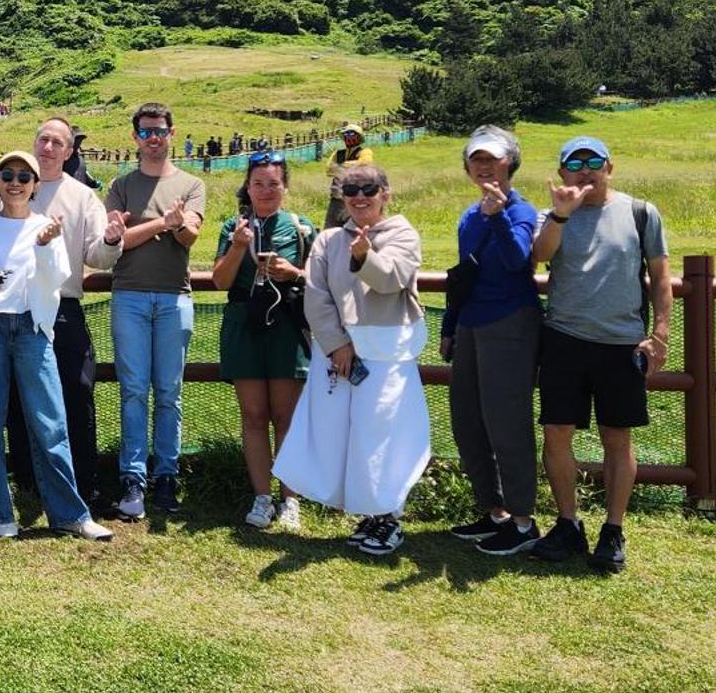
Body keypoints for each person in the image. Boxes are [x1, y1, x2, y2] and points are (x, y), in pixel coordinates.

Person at [0, 152, 115, 543]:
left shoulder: (47, 227)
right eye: (7, 175)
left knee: (51, 423)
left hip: (33, 329)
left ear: (35, 185)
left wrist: (44, 246)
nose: (15, 182)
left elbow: (54, 282)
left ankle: (70, 514)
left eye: (24, 176)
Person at [528, 135, 671, 573]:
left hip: (621, 341)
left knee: (617, 437)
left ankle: (613, 530)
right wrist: (561, 214)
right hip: (563, 338)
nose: (585, 171)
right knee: (556, 432)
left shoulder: (640, 213)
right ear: (562, 171)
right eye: (575, 163)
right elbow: (538, 257)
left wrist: (660, 334)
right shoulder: (551, 215)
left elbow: (662, 278)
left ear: (611, 167)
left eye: (594, 162)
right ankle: (568, 523)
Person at [276, 163, 427, 557]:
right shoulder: (328, 241)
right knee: (340, 433)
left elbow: (390, 281)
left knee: (380, 434)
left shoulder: (402, 233)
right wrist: (336, 345)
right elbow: (317, 294)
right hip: (339, 354)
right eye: (351, 189)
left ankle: (389, 515)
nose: (360, 197)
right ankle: (367, 512)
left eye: (369, 189)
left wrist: (365, 256)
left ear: (385, 193)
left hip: (386, 353)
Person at [2, 117, 123, 516]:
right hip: (17, 308)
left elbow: (96, 256)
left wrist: (111, 239)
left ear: (69, 151)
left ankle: (83, 485)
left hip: (63, 309)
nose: (49, 148)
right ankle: (27, 484)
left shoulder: (83, 196)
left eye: (58, 142)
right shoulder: (11, 184)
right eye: (43, 139)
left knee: (76, 395)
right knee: (18, 399)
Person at [440, 126, 545, 555]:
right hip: (471, 324)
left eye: (493, 158)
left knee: (507, 421)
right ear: (466, 166)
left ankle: (523, 521)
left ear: (510, 163)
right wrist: (450, 326)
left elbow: (518, 259)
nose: (483, 165)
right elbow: (464, 274)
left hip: (510, 323)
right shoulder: (469, 215)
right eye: (476, 159)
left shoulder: (521, 211)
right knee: (468, 422)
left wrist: (498, 215)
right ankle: (494, 512)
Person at [104, 102, 207, 520]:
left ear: (171, 133)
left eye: (160, 131)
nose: (153, 138)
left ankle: (166, 475)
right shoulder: (121, 184)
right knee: (132, 391)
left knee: (169, 394)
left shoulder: (192, 183)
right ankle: (133, 478)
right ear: (135, 137)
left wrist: (173, 226)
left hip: (173, 298)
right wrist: (163, 224)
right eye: (146, 131)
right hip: (128, 295)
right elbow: (118, 240)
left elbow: (190, 237)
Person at [211, 151, 316, 531]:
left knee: (285, 417)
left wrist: (294, 272)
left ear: (285, 186)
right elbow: (220, 282)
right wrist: (239, 246)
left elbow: (319, 281)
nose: (266, 190)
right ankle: (261, 497)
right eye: (259, 183)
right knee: (253, 416)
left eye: (274, 183)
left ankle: (291, 500)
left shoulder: (301, 227)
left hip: (286, 326)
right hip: (244, 323)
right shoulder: (233, 226)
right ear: (248, 187)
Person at [324, 123, 369, 228]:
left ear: (359, 136)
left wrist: (340, 167)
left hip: (355, 199)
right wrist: (352, 167)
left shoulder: (365, 152)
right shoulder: (338, 153)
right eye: (346, 134)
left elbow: (365, 164)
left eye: (352, 134)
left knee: (354, 231)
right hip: (336, 198)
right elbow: (329, 170)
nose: (349, 136)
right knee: (330, 230)